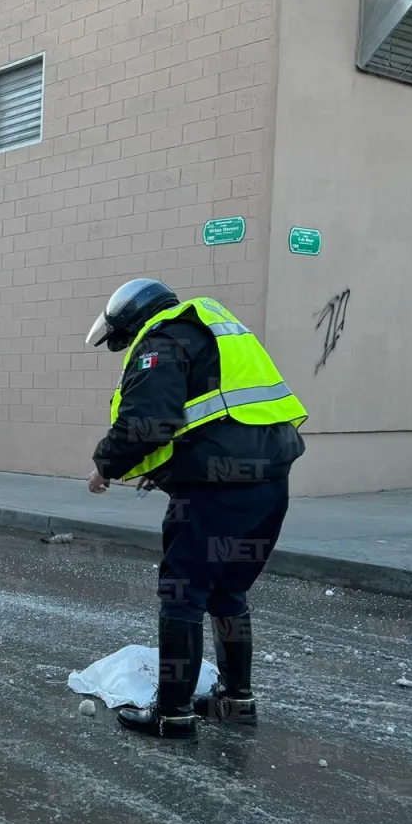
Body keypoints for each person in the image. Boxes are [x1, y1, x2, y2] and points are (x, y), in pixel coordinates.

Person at [84, 278, 308, 739]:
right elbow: (216, 418)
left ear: (133, 320)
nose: (125, 344)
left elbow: (148, 422)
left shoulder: (161, 340)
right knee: (228, 592)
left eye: (123, 336)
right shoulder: (214, 329)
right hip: (270, 484)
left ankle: (172, 713)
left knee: (183, 595)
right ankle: (236, 700)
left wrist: (105, 466)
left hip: (215, 492)